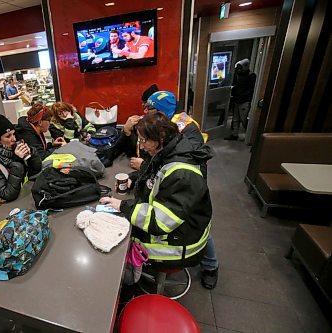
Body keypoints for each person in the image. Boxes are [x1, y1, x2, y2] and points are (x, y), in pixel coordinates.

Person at [100, 112, 212, 277]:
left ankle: (129, 288)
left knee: (117, 246)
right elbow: (154, 171)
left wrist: (122, 205)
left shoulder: (183, 174)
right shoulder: (172, 149)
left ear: (161, 136)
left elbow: (160, 222)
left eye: (144, 140)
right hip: (181, 230)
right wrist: (133, 179)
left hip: (178, 247)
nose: (141, 146)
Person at [0, 114, 41, 211]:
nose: (13, 139)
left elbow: (36, 170)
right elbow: (8, 194)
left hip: (20, 198)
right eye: (8, 136)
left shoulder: (10, 150)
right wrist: (17, 161)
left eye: (14, 134)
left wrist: (31, 154)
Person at [225, 58, 256, 140]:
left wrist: (241, 95)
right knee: (235, 119)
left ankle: (249, 137)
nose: (239, 70)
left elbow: (250, 90)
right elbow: (235, 85)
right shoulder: (238, 74)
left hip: (244, 101)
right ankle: (234, 134)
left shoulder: (251, 76)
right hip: (237, 100)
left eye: (240, 68)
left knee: (244, 119)